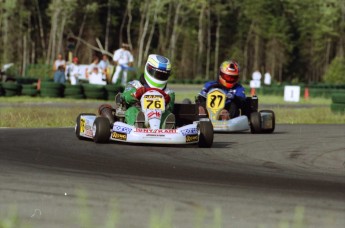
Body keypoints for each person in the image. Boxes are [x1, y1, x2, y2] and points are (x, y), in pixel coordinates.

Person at [120, 54, 175, 128]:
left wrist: (167, 101)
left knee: (168, 114)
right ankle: (136, 125)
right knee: (132, 111)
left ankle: (167, 129)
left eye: (162, 75)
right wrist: (136, 94)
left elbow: (170, 107)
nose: (159, 76)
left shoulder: (169, 92)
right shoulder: (135, 85)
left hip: (159, 115)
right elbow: (125, 97)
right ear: (148, 68)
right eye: (157, 73)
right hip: (139, 111)